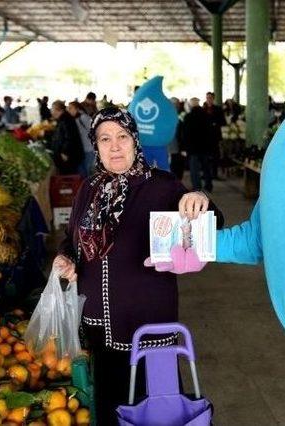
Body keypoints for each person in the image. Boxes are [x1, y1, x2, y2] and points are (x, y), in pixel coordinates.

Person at [52, 107, 223, 424]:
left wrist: (200, 198)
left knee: (159, 409)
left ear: (135, 141)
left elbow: (212, 224)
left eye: (122, 137)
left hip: (148, 326)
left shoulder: (162, 186)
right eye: (105, 139)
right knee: (110, 408)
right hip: (98, 327)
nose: (114, 146)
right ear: (96, 145)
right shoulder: (88, 189)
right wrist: (65, 257)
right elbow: (71, 239)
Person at [181, 98, 214, 192]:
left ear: (191, 105)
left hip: (193, 148)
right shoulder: (206, 116)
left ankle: (197, 186)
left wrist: (185, 147)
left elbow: (185, 134)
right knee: (206, 167)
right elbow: (210, 132)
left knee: (194, 169)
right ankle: (209, 185)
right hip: (205, 147)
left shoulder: (188, 117)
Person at [50, 100, 84, 175]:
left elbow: (69, 137)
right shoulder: (63, 119)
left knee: (69, 175)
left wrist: (65, 152)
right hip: (69, 155)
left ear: (58, 110)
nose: (51, 112)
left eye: (52, 110)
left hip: (69, 156)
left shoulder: (66, 120)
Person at [68, 101, 95, 177]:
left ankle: (88, 187)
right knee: (83, 171)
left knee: (87, 172)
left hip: (89, 149)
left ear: (77, 108)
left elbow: (93, 130)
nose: (69, 110)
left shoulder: (83, 118)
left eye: (70, 108)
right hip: (83, 150)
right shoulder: (76, 118)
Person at [203, 92, 226, 178]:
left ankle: (214, 173)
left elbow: (223, 121)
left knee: (215, 155)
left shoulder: (218, 109)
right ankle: (206, 174)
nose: (209, 99)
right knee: (206, 156)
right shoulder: (203, 109)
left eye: (210, 98)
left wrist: (215, 123)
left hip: (215, 136)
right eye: (207, 97)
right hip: (205, 137)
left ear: (213, 99)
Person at [168, 97, 186, 180]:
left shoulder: (164, 117)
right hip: (175, 147)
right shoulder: (181, 117)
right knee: (177, 168)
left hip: (171, 147)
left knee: (174, 168)